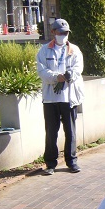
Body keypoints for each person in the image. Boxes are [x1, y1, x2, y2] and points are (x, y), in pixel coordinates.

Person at [36, 18, 85, 175]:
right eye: (60, 32)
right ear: (53, 33)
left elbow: (78, 68)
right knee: (51, 132)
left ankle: (71, 161)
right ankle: (50, 163)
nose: (63, 35)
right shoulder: (44, 51)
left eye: (66, 33)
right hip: (50, 99)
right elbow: (42, 72)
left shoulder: (75, 50)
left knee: (70, 131)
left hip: (69, 98)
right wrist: (57, 77)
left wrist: (70, 75)